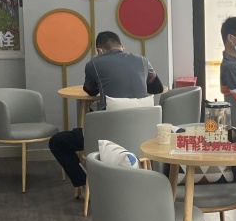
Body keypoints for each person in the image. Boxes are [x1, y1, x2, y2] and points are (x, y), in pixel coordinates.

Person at [49, 31, 164, 194]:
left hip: (108, 136)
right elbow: (157, 88)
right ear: (122, 47)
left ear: (99, 50)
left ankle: (86, 183)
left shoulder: (94, 64)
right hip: (142, 136)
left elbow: (90, 90)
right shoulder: (142, 61)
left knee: (57, 142)